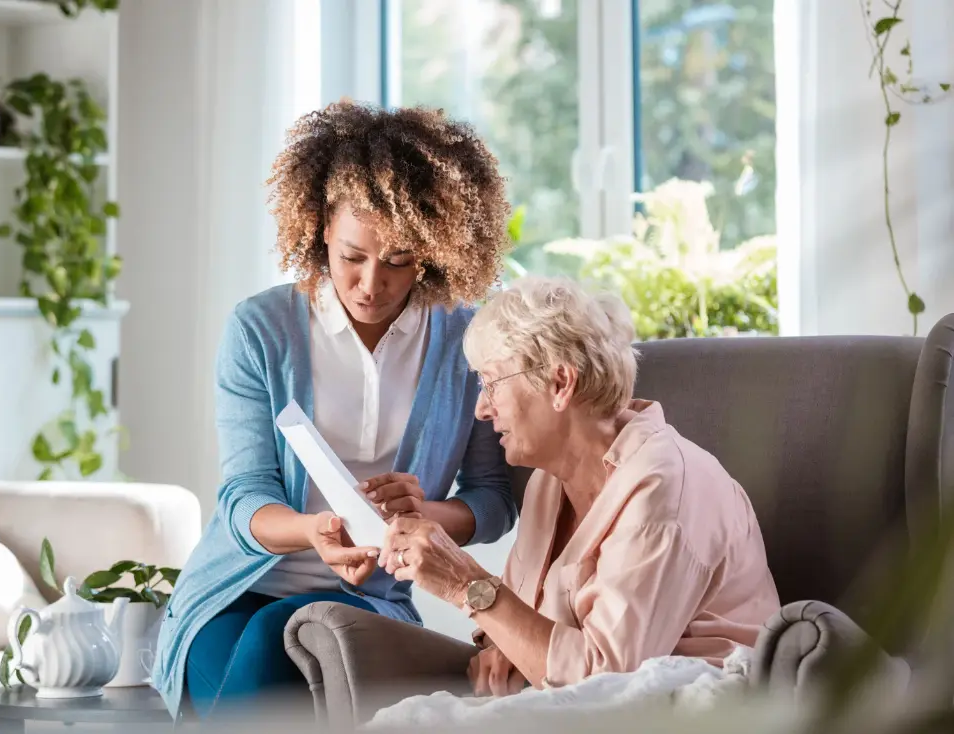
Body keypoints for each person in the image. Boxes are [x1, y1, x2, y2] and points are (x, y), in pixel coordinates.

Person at [151, 100, 520, 720]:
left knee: (280, 639)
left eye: (398, 261)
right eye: (353, 256)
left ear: (430, 251)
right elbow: (243, 498)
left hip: (369, 598)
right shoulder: (261, 330)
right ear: (321, 227)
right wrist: (314, 533)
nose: (371, 283)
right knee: (270, 636)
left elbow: (494, 500)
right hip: (236, 591)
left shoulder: (465, 340)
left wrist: (421, 514)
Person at [378, 276, 781, 697]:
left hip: (693, 708)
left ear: (560, 383)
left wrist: (465, 582)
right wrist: (502, 646)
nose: (481, 408)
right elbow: (520, 618)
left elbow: (609, 683)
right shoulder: (547, 484)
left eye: (492, 382)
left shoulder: (664, 487)